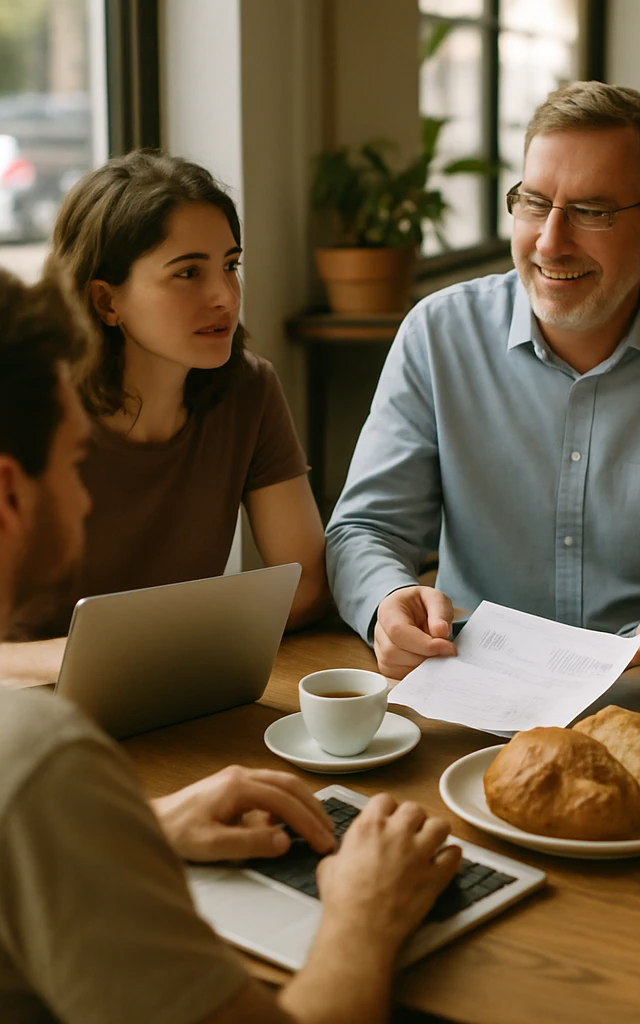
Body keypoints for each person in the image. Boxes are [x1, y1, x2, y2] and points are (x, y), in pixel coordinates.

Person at [0, 265, 462, 1023]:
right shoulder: (36, 758)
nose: (86, 499)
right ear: (11, 495)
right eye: (74, 464)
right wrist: (365, 912)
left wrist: (130, 832)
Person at [327, 81, 640, 679]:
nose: (551, 243)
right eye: (534, 203)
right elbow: (366, 528)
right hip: (472, 684)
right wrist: (385, 603)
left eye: (591, 212)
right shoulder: (438, 334)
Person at [0, 152, 329, 684]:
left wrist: (155, 655)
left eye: (230, 265)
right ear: (107, 301)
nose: (225, 296)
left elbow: (307, 583)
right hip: (30, 715)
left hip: (172, 697)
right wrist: (102, 658)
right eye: (187, 273)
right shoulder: (30, 404)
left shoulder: (248, 390)